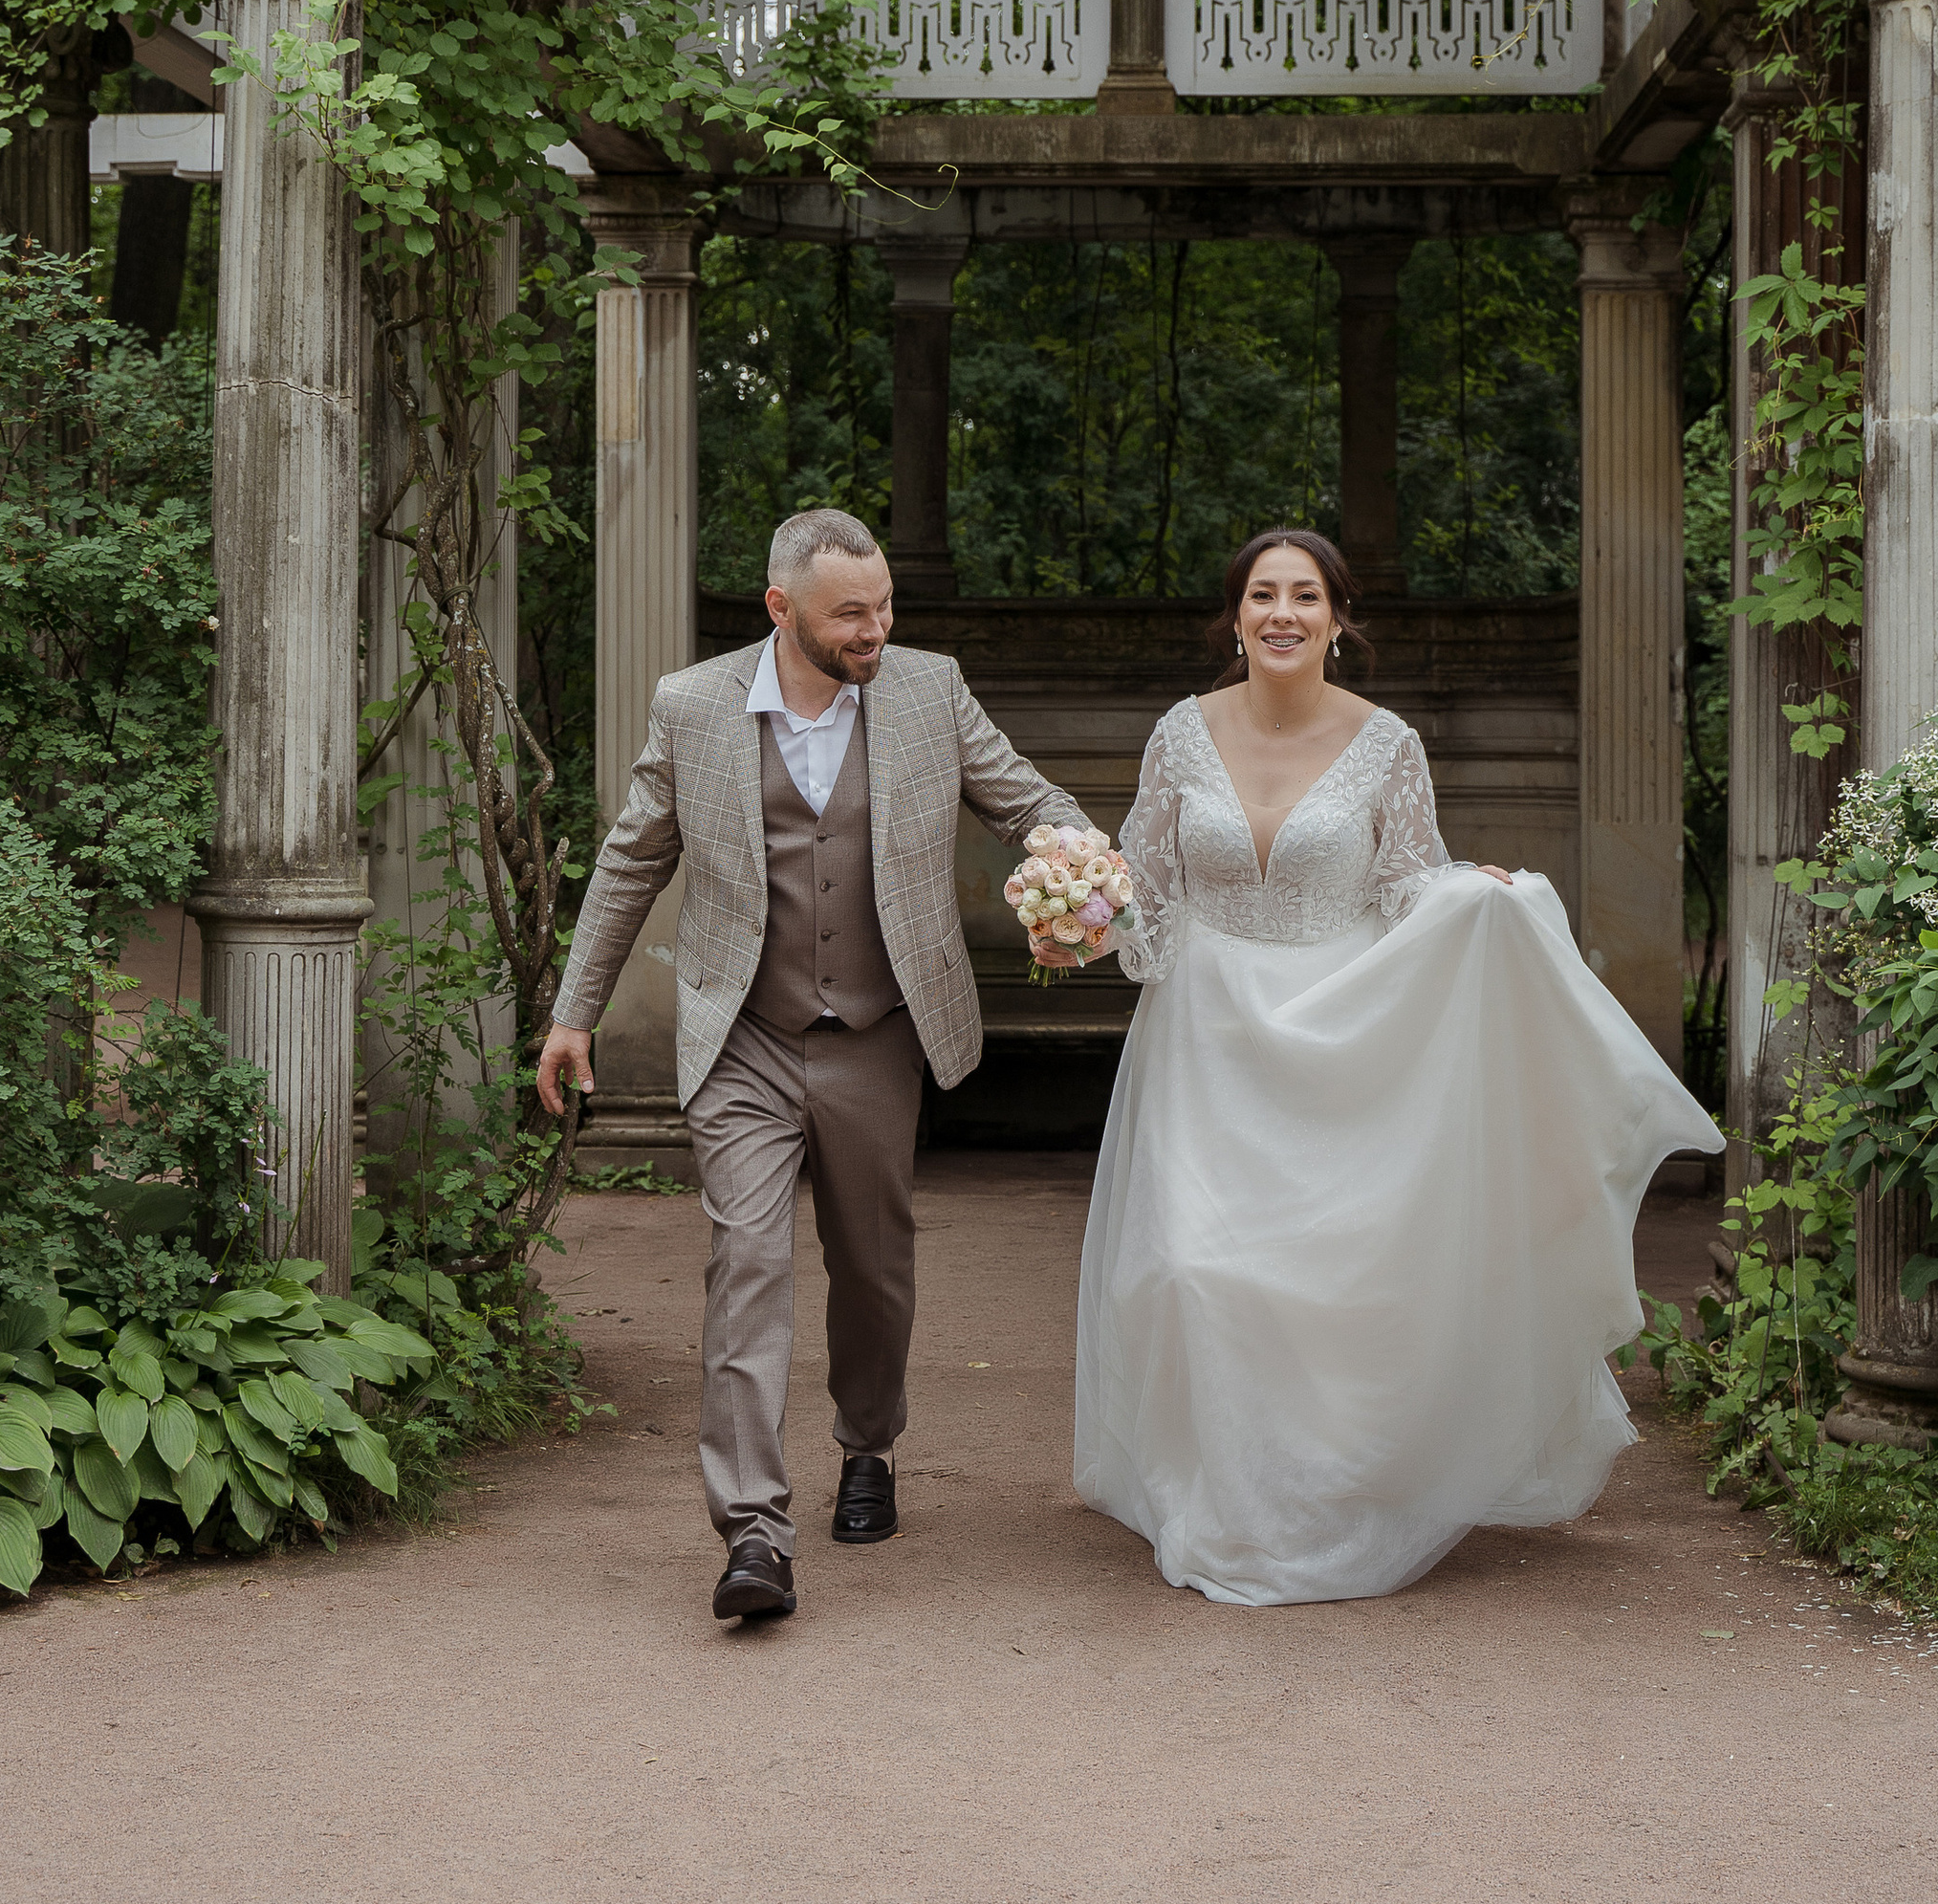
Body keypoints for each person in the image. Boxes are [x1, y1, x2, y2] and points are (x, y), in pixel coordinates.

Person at [1072, 528, 1723, 1605]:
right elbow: (1142, 885)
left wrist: (1482, 894)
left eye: (1306, 596)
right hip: (1203, 1030)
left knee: (1325, 1278)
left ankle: (1320, 1494)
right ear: (1234, 618)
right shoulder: (1180, 734)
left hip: (1340, 1026)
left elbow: (1407, 891)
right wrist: (1080, 916)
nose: (1283, 613)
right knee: (1192, 1268)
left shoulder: (1387, 743)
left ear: (1336, 618)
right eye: (1263, 596)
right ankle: (1225, 1506)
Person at [539, 507, 1088, 1630]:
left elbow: (1034, 805)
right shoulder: (693, 705)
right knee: (745, 1259)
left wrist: (1080, 886)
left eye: (885, 606)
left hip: (879, 1033)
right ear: (780, 609)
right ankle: (753, 1530)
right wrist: (571, 1015)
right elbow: (630, 860)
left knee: (872, 1267)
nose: (876, 628)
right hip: (743, 1031)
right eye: (852, 613)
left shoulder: (930, 691)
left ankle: (868, 1444)